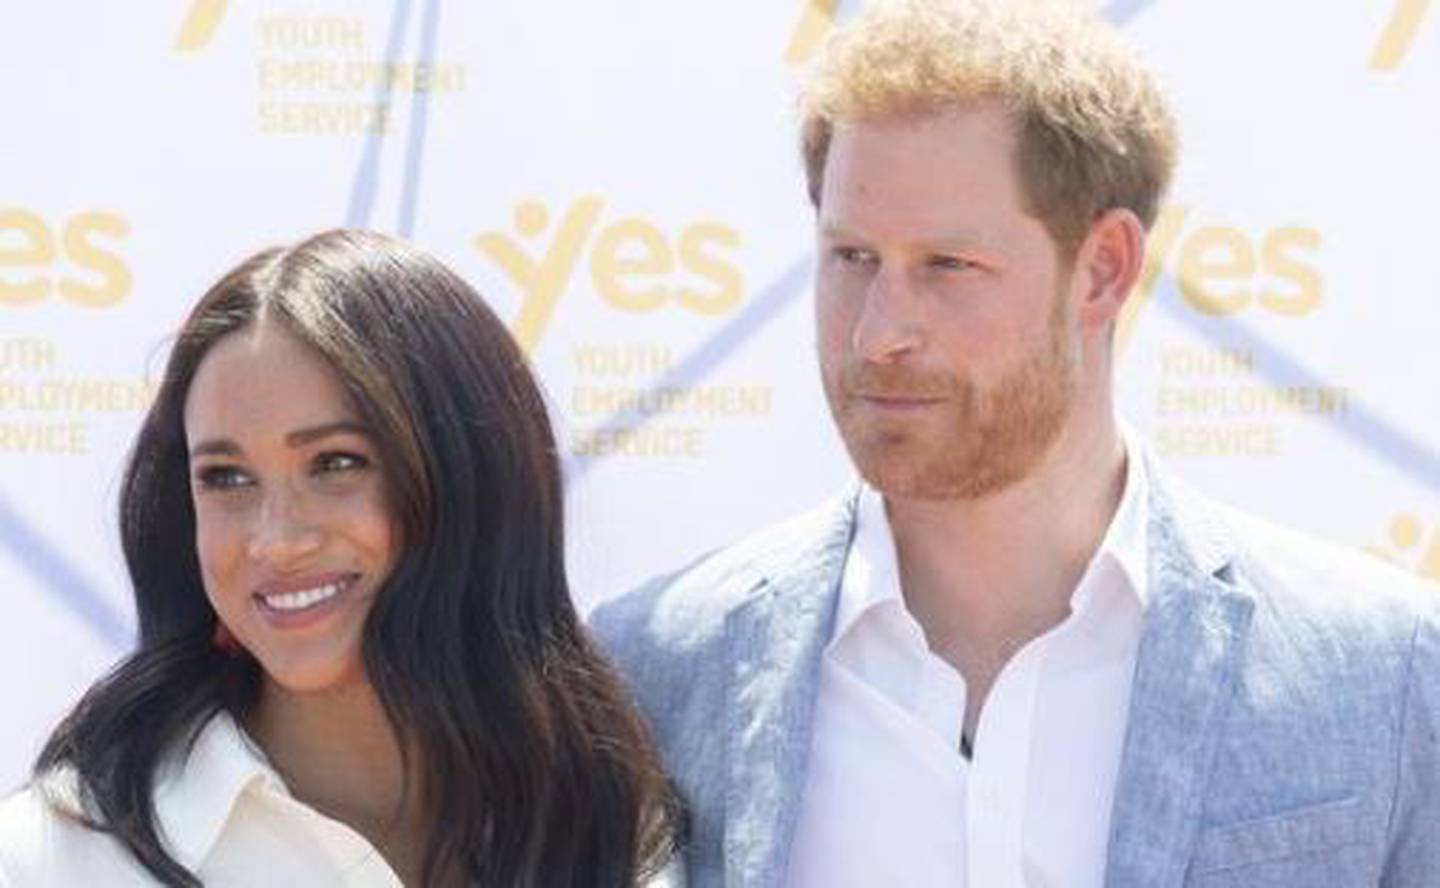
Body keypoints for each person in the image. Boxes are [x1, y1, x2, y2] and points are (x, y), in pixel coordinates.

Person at [591, 2, 1440, 886]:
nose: (878, 334)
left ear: (1104, 268)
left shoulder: (1383, 670)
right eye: (852, 258)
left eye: (947, 267)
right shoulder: (657, 672)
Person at [0, 230, 683, 886]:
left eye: (335, 464)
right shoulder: (57, 860)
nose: (275, 539)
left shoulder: (616, 819)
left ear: (469, 478)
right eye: (226, 478)